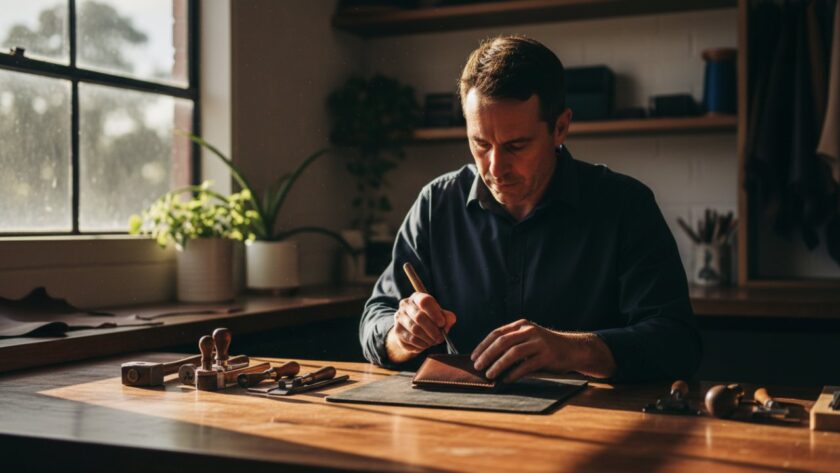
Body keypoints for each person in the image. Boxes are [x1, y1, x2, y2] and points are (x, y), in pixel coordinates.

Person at [359, 35, 702, 383]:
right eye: (480, 144)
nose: (495, 168)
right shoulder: (436, 204)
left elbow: (676, 343)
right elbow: (376, 317)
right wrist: (401, 337)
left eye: (516, 146)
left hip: (590, 424)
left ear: (561, 128)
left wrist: (572, 349)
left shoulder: (626, 205)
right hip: (457, 424)